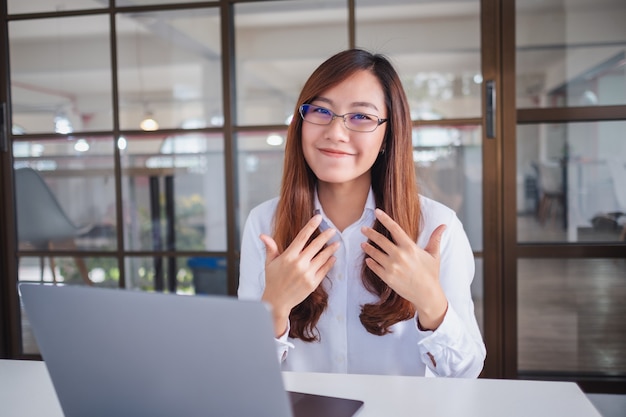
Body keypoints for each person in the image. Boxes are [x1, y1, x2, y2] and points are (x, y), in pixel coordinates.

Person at [238, 48, 486, 378]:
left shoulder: (437, 227)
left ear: (387, 136)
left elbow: (465, 372)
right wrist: (275, 307)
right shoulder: (264, 223)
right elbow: (246, 372)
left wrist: (431, 302)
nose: (335, 132)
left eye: (361, 117)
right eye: (321, 111)